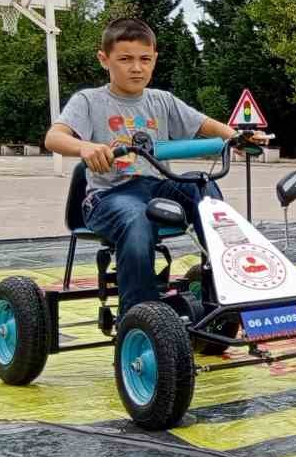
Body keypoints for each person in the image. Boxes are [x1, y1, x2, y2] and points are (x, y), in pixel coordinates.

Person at [44, 18, 264, 313]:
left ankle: (229, 284)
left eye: (144, 59)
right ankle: (138, 316)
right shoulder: (90, 101)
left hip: (158, 187)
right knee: (137, 217)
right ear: (104, 59)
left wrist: (236, 136)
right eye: (125, 59)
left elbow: (204, 124)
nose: (136, 67)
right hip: (110, 196)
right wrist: (84, 146)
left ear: (154, 60)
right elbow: (53, 137)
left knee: (203, 186)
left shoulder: (162, 100)